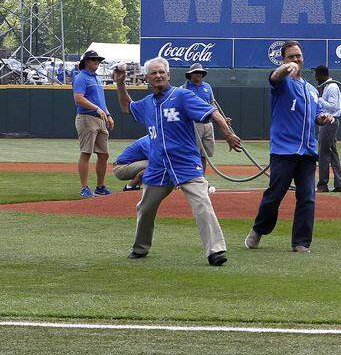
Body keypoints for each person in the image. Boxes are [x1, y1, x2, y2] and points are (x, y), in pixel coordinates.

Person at [112, 58, 242, 266]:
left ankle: (216, 250)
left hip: (185, 162)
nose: (158, 76)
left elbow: (213, 112)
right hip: (158, 166)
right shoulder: (146, 104)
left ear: (169, 75)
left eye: (162, 72)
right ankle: (140, 248)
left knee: (202, 203)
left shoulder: (182, 96)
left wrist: (228, 134)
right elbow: (127, 107)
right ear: (147, 78)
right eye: (153, 73)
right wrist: (120, 83)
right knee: (145, 207)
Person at [244, 41, 334, 253]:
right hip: (284, 150)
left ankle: (301, 242)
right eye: (291, 57)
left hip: (307, 152)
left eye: (299, 56)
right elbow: (274, 77)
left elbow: (317, 116)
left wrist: (323, 117)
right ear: (283, 59)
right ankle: (259, 229)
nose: (296, 60)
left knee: (307, 198)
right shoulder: (282, 83)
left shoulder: (311, 90)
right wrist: (286, 69)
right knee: (275, 195)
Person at [73, 49, 114, 198]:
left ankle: (100, 187)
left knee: (104, 154)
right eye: (94, 59)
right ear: (86, 62)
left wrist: (108, 114)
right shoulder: (81, 78)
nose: (97, 62)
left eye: (98, 60)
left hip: (100, 118)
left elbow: (100, 101)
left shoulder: (96, 78)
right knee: (86, 153)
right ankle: (84, 188)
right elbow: (79, 98)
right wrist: (97, 109)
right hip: (86, 118)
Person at [182, 63, 219, 192]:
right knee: (194, 153)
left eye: (200, 72)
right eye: (195, 72)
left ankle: (201, 179)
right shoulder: (185, 88)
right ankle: (191, 179)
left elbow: (213, 105)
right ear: (190, 74)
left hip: (208, 124)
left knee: (205, 155)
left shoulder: (207, 87)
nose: (198, 74)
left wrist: (223, 119)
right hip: (194, 124)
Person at [313, 65, 341, 193]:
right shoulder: (326, 87)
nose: (316, 78)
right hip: (329, 121)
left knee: (323, 153)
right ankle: (339, 184)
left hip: (329, 121)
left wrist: (319, 99)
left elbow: (333, 107)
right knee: (332, 152)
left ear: (323, 75)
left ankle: (322, 184)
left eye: (317, 75)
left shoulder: (331, 87)